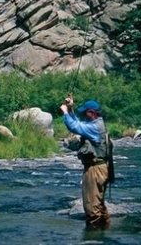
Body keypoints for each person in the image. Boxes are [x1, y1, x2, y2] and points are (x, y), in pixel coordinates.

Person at [60, 96, 112, 230]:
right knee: (99, 204)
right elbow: (80, 124)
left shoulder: (94, 127)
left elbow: (75, 126)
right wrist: (71, 108)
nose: (83, 115)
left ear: (92, 113)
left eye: (85, 113)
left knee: (91, 206)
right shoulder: (96, 123)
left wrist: (65, 112)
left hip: (95, 170)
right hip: (101, 168)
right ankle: (105, 233)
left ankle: (93, 236)